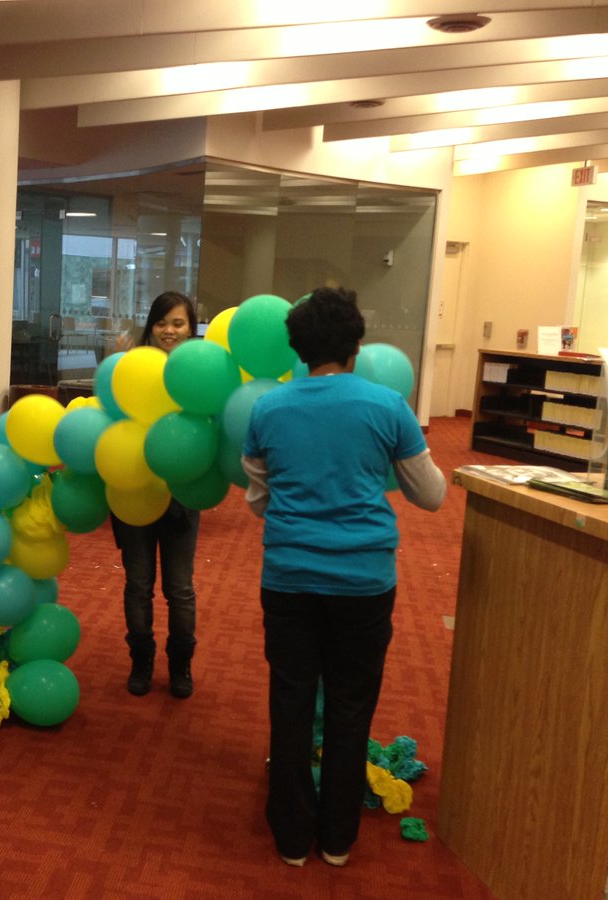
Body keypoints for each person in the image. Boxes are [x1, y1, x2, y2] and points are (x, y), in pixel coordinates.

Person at [241, 286, 446, 868]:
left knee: (291, 700)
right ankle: (337, 838)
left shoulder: (268, 409)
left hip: (288, 577)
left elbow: (259, 498)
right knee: (352, 705)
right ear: (356, 346)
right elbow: (428, 495)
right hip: (363, 581)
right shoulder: (386, 406)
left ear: (298, 349)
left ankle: (290, 836)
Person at [111, 290, 201, 699]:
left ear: (191, 329)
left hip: (182, 496)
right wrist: (114, 366)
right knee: (138, 583)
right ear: (151, 326)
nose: (169, 330)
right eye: (162, 322)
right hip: (134, 490)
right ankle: (141, 659)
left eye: (178, 323)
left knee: (179, 588)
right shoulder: (132, 367)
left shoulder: (201, 372)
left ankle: (181, 662)